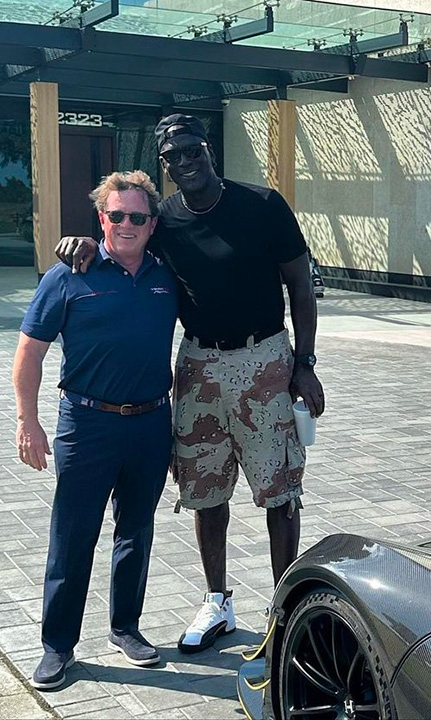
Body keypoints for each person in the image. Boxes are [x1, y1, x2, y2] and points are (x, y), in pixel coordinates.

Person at [58, 114, 325, 654]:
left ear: (209, 150)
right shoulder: (166, 220)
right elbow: (125, 237)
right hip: (199, 366)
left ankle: (284, 606)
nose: (186, 161)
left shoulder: (263, 204)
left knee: (280, 492)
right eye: (173, 155)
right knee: (205, 490)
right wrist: (88, 241)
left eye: (193, 149)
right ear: (165, 164)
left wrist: (305, 362)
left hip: (265, 359)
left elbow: (300, 282)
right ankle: (218, 601)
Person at [14, 171, 176, 689]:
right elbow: (29, 352)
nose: (126, 225)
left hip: (152, 422)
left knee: (136, 531)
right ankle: (57, 647)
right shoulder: (67, 274)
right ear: (101, 218)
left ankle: (125, 629)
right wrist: (27, 422)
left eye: (138, 216)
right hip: (86, 425)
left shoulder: (167, 274)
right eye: (116, 215)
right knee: (73, 535)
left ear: (152, 224)